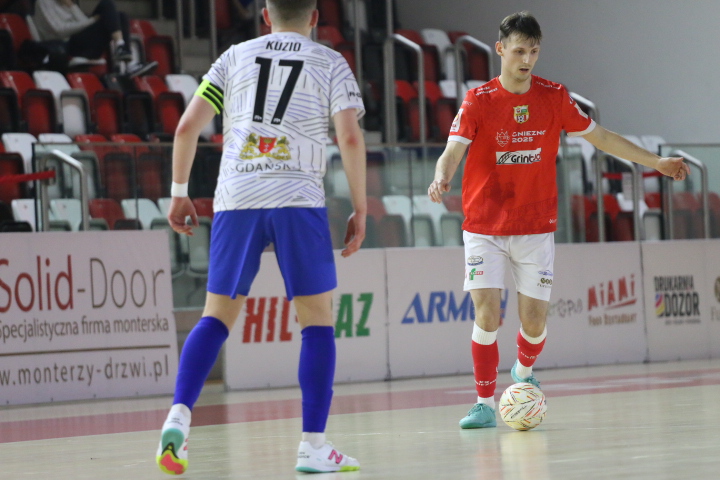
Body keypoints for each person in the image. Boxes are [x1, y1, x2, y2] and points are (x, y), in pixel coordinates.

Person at [427, 11, 689, 430]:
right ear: (500, 50)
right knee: (487, 314)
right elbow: (452, 150)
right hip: (484, 227)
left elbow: (601, 137)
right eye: (519, 51)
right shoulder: (478, 101)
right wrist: (441, 177)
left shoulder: (554, 97)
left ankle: (523, 372)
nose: (527, 60)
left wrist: (656, 162)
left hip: (535, 226)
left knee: (534, 323)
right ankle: (483, 403)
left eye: (533, 51)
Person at [156, 0, 366, 475]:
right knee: (316, 322)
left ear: (265, 17)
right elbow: (351, 138)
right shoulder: (330, 61)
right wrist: (361, 207)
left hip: (237, 197)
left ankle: (178, 417)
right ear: (315, 17)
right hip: (297, 198)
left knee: (216, 317)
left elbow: (186, 128)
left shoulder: (233, 57)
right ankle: (313, 446)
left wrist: (179, 194)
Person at [33, 0, 156, 75]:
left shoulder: (67, 3)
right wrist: (93, 20)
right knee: (106, 4)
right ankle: (122, 51)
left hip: (81, 44)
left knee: (121, 16)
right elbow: (60, 31)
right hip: (63, 48)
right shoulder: (43, 2)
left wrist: (72, 7)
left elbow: (82, 22)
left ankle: (126, 59)